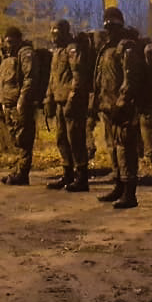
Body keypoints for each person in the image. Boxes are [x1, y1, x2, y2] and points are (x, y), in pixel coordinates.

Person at [92, 7, 146, 209]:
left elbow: (131, 77)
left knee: (126, 149)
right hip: (108, 108)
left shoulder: (126, 46)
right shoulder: (106, 48)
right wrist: (98, 103)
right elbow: (99, 80)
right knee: (113, 148)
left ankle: (129, 192)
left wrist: (122, 103)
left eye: (113, 21)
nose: (109, 25)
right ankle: (118, 186)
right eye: (107, 21)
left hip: (123, 109)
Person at [45, 21, 92, 192]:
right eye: (53, 33)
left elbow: (78, 76)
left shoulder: (72, 49)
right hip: (59, 100)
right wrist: (48, 98)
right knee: (61, 138)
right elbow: (52, 78)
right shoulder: (57, 51)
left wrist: (72, 99)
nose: (54, 37)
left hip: (71, 102)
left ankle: (82, 176)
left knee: (75, 139)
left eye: (57, 33)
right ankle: (67, 173)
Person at [0, 27, 37, 185]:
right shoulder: (7, 58)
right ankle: (17, 169)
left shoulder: (25, 54)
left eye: (11, 42)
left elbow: (29, 79)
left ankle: (23, 173)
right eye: (6, 42)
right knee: (15, 139)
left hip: (21, 105)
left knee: (24, 138)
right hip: (9, 104)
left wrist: (22, 100)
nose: (8, 45)